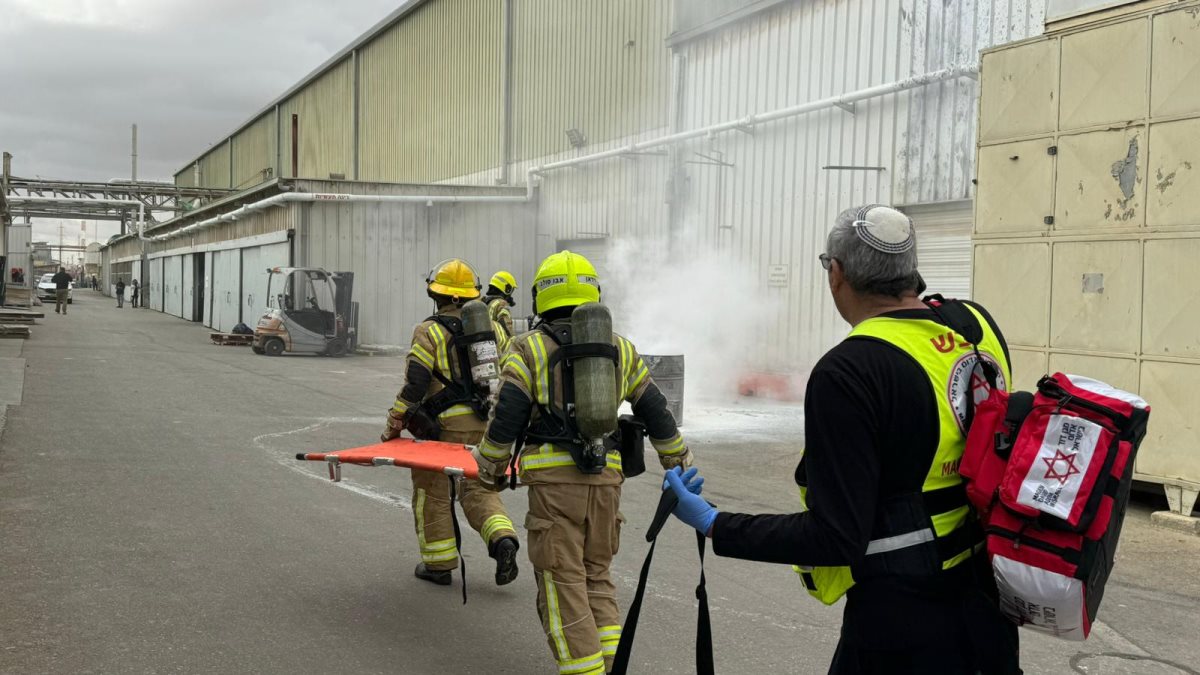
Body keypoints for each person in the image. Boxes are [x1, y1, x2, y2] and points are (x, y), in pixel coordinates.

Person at [662, 205, 1021, 675]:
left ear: (836, 274)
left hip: (901, 628)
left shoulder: (850, 371)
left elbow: (835, 538)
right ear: (911, 271)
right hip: (989, 610)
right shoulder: (977, 324)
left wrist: (715, 524)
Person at [474, 251, 694, 675]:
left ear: (541, 297)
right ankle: (611, 666)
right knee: (597, 578)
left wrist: (488, 470)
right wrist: (678, 462)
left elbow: (506, 420)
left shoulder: (530, 349)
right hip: (607, 483)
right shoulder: (619, 348)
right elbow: (656, 411)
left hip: (555, 491)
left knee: (562, 586)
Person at [380, 258, 520, 587]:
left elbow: (416, 383)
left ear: (436, 295)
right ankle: (503, 539)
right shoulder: (495, 331)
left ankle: (439, 565)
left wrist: (394, 423)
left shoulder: (428, 331)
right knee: (479, 491)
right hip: (486, 425)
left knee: (433, 494)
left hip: (442, 431)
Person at [483, 270, 518, 351]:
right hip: (499, 347)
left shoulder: (485, 303)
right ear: (507, 289)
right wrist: (515, 344)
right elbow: (506, 325)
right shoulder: (501, 303)